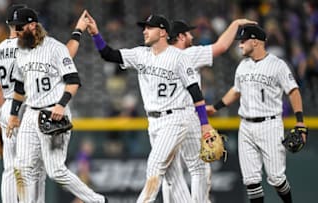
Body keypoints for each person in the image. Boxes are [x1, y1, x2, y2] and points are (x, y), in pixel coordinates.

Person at [85, 12, 215, 202]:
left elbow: (196, 91)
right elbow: (108, 54)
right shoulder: (140, 54)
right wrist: (95, 34)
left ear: (162, 32)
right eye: (144, 28)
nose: (144, 31)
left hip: (175, 119)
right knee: (171, 176)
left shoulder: (178, 57)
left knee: (154, 166)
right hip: (153, 122)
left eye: (149, 27)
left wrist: (204, 124)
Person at [6, 7, 107, 203]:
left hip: (53, 112)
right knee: (23, 168)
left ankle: (98, 201)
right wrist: (13, 115)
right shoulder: (20, 51)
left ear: (33, 25)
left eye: (18, 27)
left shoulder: (55, 48)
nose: (15, 32)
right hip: (30, 114)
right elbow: (19, 87)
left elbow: (74, 80)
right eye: (13, 27)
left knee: (56, 171)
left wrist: (61, 105)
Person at [206, 24, 307, 203]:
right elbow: (236, 91)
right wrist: (216, 107)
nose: (240, 45)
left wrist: (300, 122)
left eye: (243, 41)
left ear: (255, 41)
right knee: (251, 181)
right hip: (245, 126)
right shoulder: (242, 66)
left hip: (270, 125)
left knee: (276, 178)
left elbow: (293, 91)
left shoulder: (277, 65)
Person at [163, 19, 256, 203]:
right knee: (199, 168)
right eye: (188, 33)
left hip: (163, 122)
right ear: (180, 37)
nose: (192, 36)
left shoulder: (157, 57)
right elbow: (221, 46)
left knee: (170, 171)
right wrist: (236, 23)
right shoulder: (188, 55)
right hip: (187, 117)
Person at [0, 4, 46, 203]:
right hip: (26, 105)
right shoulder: (30, 47)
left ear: (9, 25)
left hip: (5, 108)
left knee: (10, 166)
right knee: (34, 165)